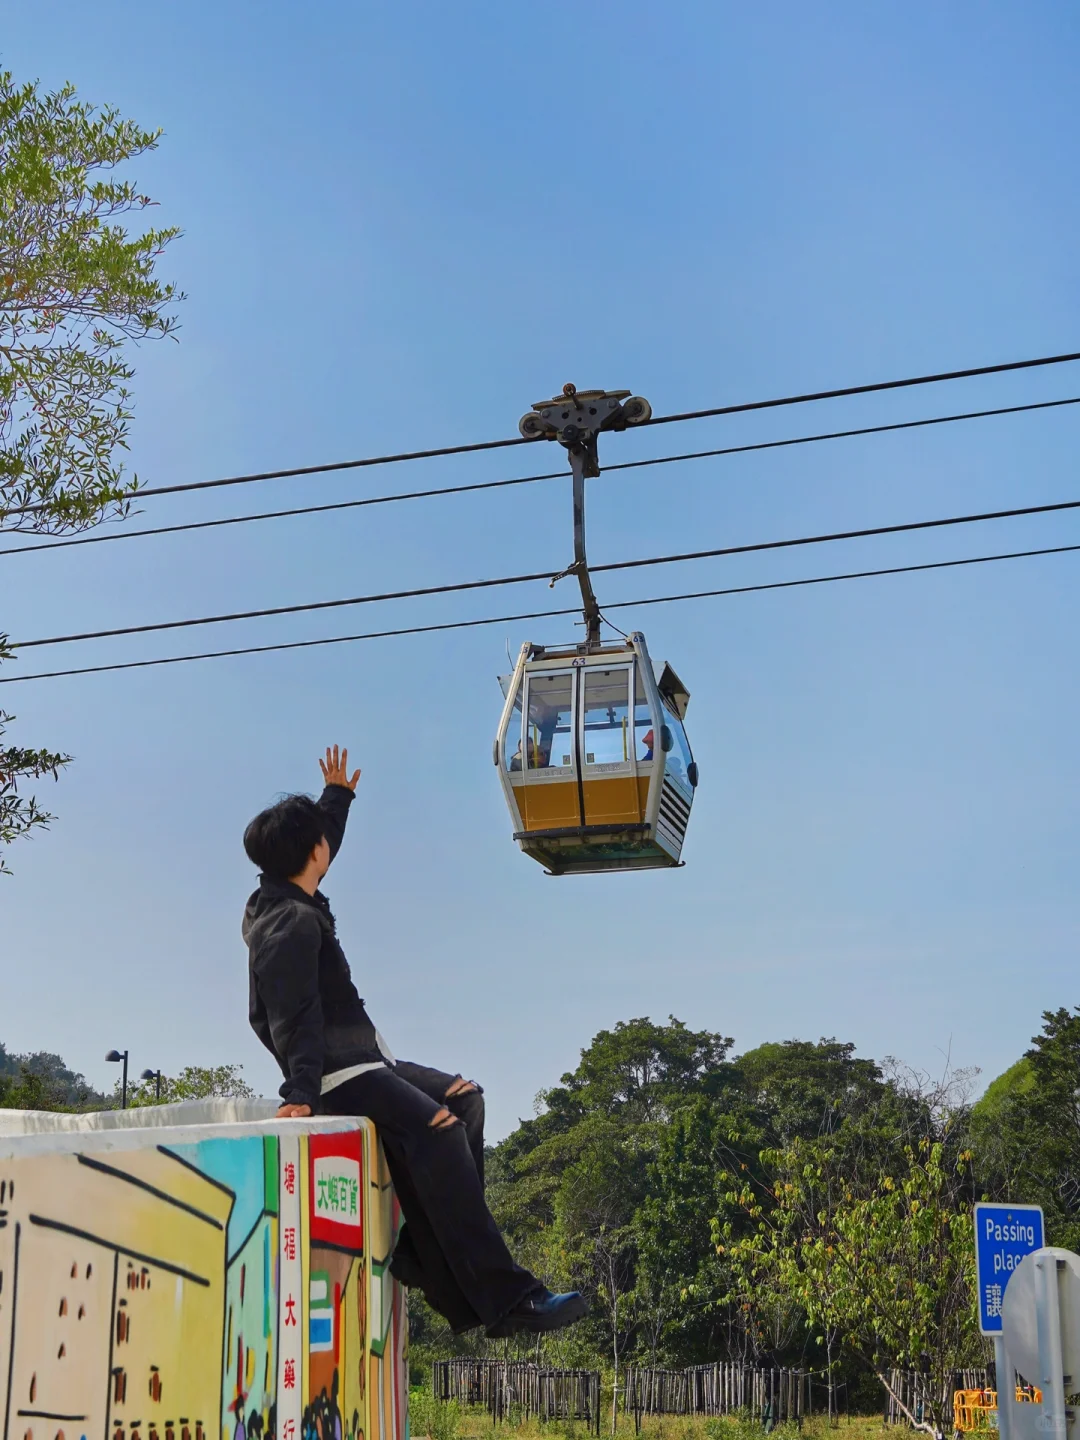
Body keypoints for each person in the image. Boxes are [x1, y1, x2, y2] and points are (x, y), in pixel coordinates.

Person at [242, 745, 587, 1338]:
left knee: (466, 1099)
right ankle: (506, 1301)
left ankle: (421, 1255)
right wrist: (299, 1088)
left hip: (367, 1059)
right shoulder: (289, 925)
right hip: (337, 1074)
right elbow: (291, 1013)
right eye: (321, 837)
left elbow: (320, 842)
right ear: (310, 854)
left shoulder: (286, 893)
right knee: (441, 1130)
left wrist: (336, 798)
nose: (328, 843)